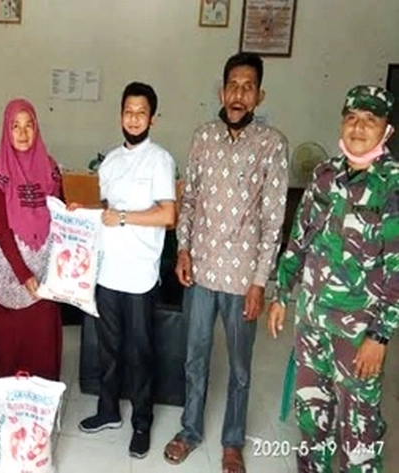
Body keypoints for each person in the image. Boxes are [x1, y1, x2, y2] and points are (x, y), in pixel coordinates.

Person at [163, 53, 288, 473]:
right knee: (194, 357)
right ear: (221, 92)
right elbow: (190, 199)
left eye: (247, 87)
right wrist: (183, 250)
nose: (238, 94)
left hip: (242, 278)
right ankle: (190, 430)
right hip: (199, 271)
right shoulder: (203, 137)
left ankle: (232, 442)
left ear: (259, 96)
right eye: (233, 85)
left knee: (239, 367)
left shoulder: (272, 144)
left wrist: (260, 281)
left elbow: (273, 219)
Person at [268, 85, 397, 472]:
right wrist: (281, 293)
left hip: (358, 334)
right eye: (351, 118)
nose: (358, 128)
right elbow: (299, 238)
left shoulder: (392, 184)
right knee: (311, 417)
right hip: (312, 323)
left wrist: (380, 336)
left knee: (359, 430)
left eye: (370, 120)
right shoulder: (325, 175)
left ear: (387, 129)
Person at [74, 82, 177, 459]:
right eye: (128, 112)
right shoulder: (110, 161)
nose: (134, 118)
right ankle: (108, 411)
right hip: (108, 272)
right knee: (108, 349)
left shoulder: (160, 160)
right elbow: (106, 209)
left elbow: (167, 215)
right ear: (120, 115)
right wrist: (82, 212)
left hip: (139, 275)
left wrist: (121, 217)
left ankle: (142, 423)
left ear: (152, 118)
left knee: (140, 352)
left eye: (141, 112)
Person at [0, 98, 64, 381]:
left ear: (37, 128)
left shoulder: (50, 168)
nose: (22, 133)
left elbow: (60, 213)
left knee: (41, 341)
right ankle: (8, 401)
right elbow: (2, 230)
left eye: (28, 125)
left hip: (44, 271)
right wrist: (23, 274)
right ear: (6, 131)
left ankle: (41, 402)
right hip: (10, 272)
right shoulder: (1, 173)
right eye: (15, 126)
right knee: (9, 344)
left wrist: (72, 213)